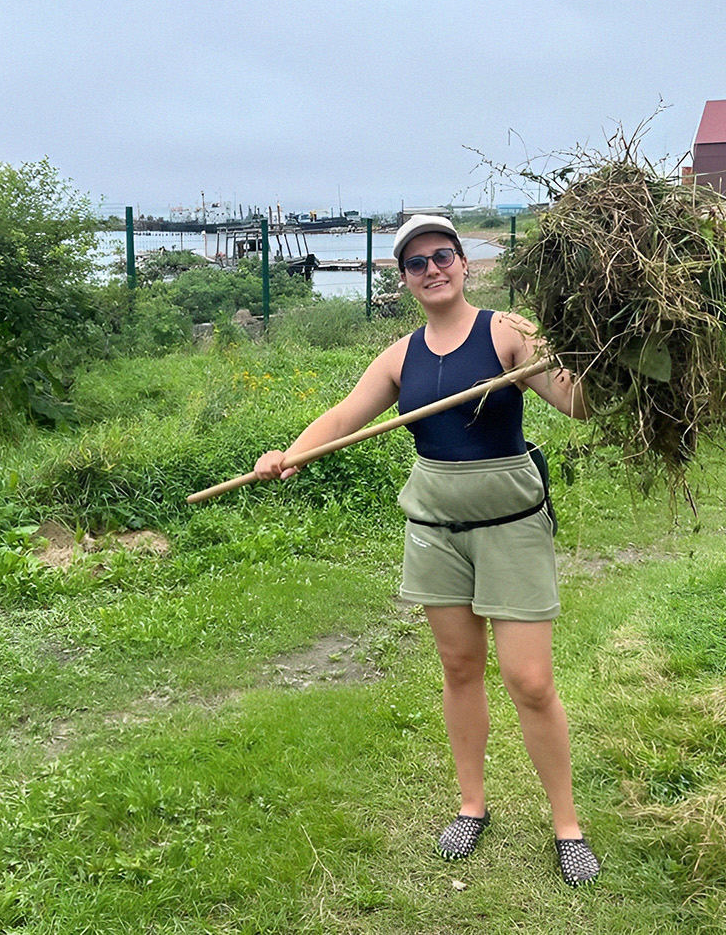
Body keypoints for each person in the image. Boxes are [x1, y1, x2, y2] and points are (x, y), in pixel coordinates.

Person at [253, 214, 601, 886]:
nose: (433, 268)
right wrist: (291, 453)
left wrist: (609, 360)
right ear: (405, 278)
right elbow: (343, 416)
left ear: (465, 264)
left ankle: (567, 826)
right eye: (417, 262)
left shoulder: (509, 332)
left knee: (530, 681)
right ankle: (472, 806)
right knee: (460, 667)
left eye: (443, 255)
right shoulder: (399, 356)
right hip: (435, 527)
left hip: (510, 522)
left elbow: (577, 402)